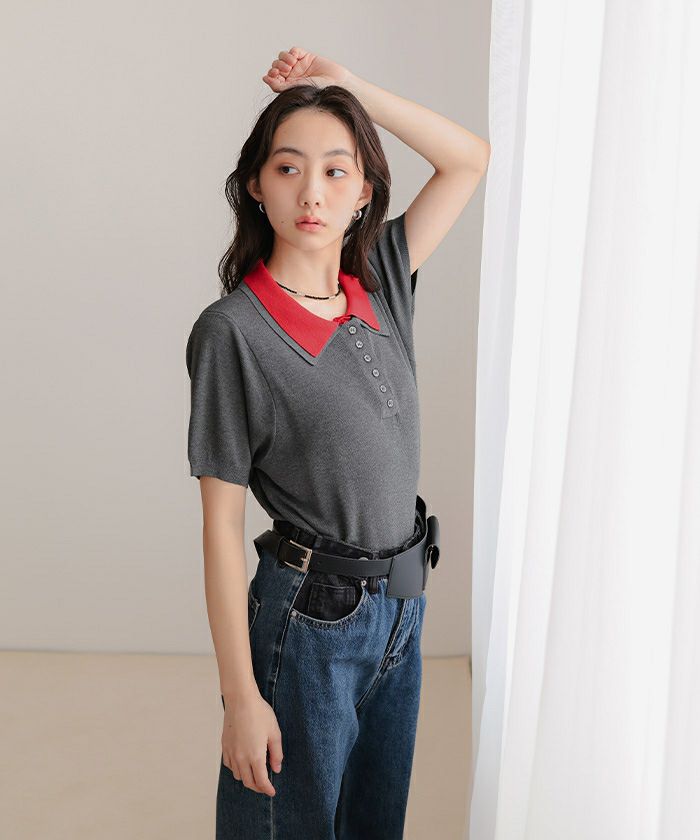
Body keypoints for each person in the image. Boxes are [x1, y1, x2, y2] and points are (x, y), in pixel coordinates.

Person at [186, 46, 489, 840]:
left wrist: (349, 89)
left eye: (335, 171)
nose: (311, 192)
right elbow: (220, 525)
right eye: (288, 168)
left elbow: (468, 159)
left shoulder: (381, 279)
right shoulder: (234, 332)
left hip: (402, 609)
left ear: (364, 193)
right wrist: (240, 698)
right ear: (256, 185)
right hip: (309, 621)